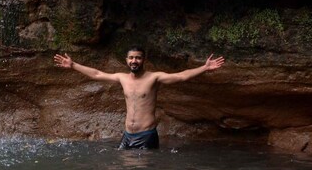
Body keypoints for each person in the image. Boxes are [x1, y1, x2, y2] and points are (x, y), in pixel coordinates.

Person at [53, 46, 225, 149]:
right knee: (123, 169)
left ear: (143, 60)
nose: (134, 61)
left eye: (138, 58)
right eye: (131, 58)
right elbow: (97, 74)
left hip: (146, 135)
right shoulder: (122, 78)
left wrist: (204, 68)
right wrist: (73, 65)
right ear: (126, 60)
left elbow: (181, 76)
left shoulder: (154, 78)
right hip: (127, 135)